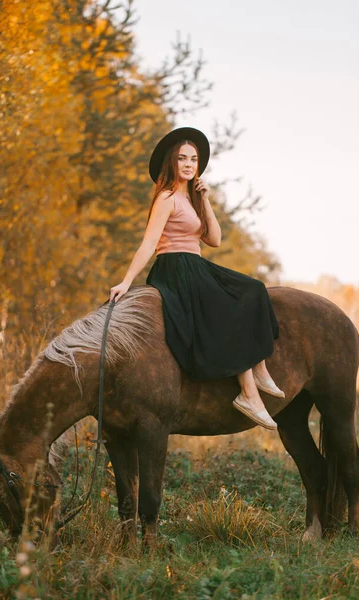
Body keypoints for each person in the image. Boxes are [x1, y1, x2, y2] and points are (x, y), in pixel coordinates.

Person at [110, 127, 284, 429]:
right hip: (175, 269)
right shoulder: (166, 198)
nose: (189, 164)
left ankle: (259, 366)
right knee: (225, 307)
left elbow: (214, 239)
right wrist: (126, 281)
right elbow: (149, 244)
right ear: (172, 162)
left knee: (254, 289)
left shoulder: (191, 199)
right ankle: (248, 394)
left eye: (194, 159)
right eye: (182, 159)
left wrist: (205, 199)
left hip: (196, 265)